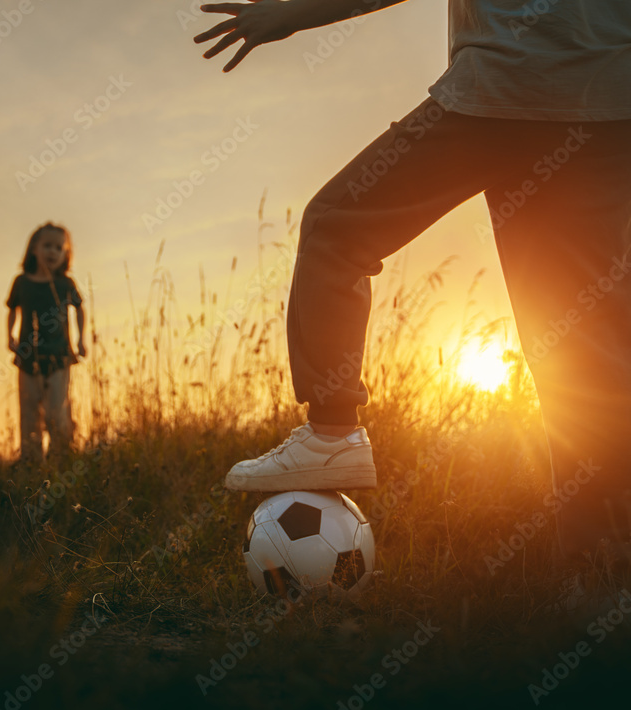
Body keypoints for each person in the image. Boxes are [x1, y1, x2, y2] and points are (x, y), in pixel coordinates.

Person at [195, 1, 631, 560]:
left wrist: (292, 14)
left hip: (511, 86)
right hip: (611, 102)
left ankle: (332, 434)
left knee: (336, 228)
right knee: (579, 340)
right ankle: (599, 569)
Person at [6, 223, 86, 462]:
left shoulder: (65, 284)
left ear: (66, 254)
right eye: (47, 246)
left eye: (59, 248)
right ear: (34, 250)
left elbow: (80, 308)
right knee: (29, 411)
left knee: (56, 410)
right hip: (28, 357)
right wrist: (9, 336)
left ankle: (61, 456)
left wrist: (81, 339)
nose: (53, 252)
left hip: (59, 355)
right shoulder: (22, 282)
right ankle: (30, 460)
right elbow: (12, 309)